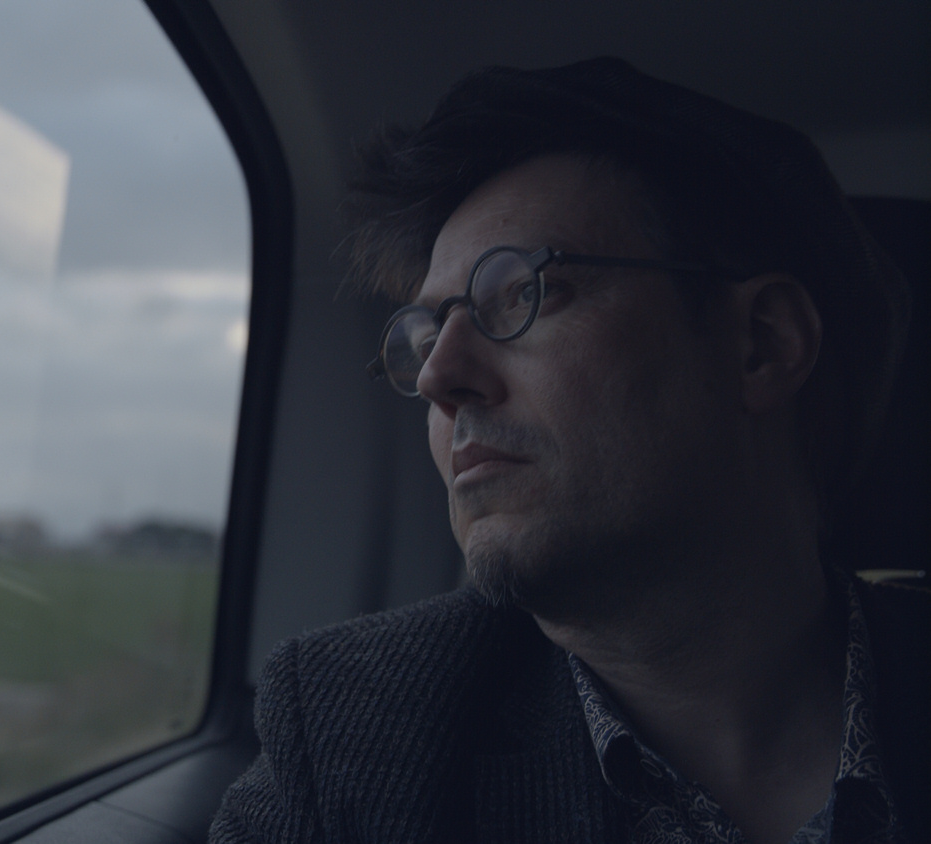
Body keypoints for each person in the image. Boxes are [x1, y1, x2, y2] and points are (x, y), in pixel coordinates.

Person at [209, 58, 927, 844]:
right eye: (426, 335)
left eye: (527, 292)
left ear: (761, 344)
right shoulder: (351, 734)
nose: (439, 377)